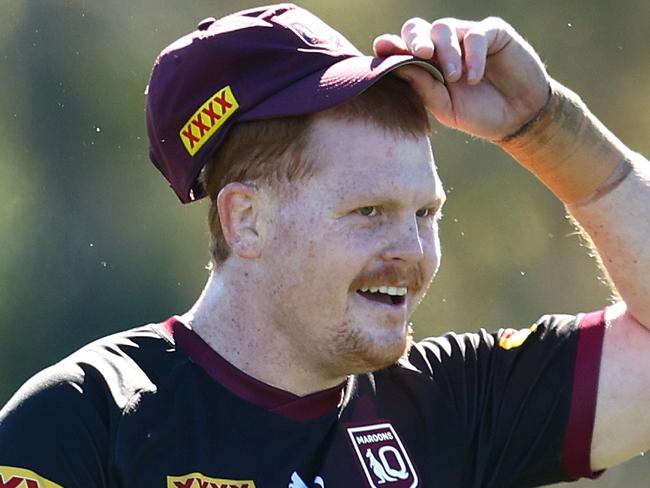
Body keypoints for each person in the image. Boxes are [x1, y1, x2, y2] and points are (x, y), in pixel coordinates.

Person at [1, 3, 649, 487]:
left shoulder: (451, 404)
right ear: (245, 220)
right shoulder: (86, 420)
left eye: (426, 213)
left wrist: (545, 125)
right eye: (368, 212)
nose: (413, 251)